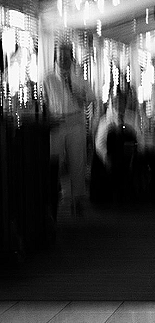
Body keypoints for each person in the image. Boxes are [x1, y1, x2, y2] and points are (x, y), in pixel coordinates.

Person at [42, 42, 95, 218]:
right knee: (54, 161)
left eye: (66, 56)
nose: (63, 60)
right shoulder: (48, 79)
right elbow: (44, 102)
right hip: (56, 123)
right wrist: (48, 118)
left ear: (71, 58)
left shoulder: (79, 78)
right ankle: (53, 198)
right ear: (56, 58)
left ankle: (77, 200)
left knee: (77, 161)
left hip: (75, 122)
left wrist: (82, 96)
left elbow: (92, 97)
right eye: (60, 56)